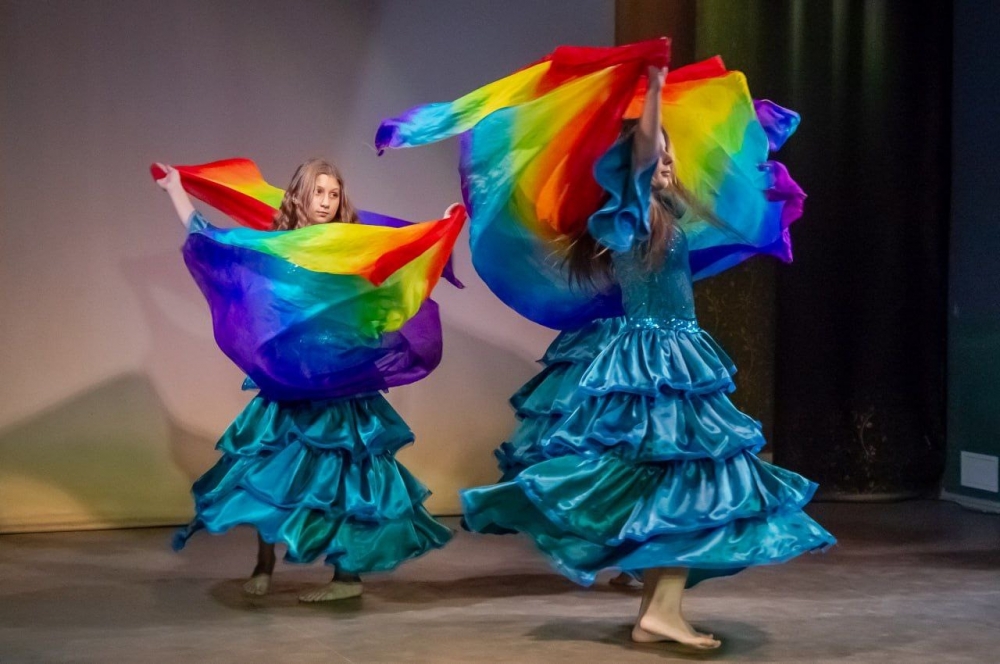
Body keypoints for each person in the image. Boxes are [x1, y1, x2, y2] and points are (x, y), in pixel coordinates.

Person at [461, 67, 835, 648]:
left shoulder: (664, 214)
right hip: (656, 358)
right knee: (687, 480)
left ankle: (658, 610)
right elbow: (638, 158)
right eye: (654, 152)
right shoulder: (629, 216)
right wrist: (654, 92)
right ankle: (660, 609)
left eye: (669, 151)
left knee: (678, 485)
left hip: (674, 351)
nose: (666, 160)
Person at [155, 158, 453, 602]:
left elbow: (402, 262)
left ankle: (346, 578)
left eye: (334, 194)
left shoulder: (350, 245)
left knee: (346, 475)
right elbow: (211, 237)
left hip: (340, 376)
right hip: (292, 377)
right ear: (300, 196)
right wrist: (176, 189)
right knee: (271, 471)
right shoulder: (278, 247)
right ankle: (264, 565)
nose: (327, 202)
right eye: (319, 192)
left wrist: (443, 230)